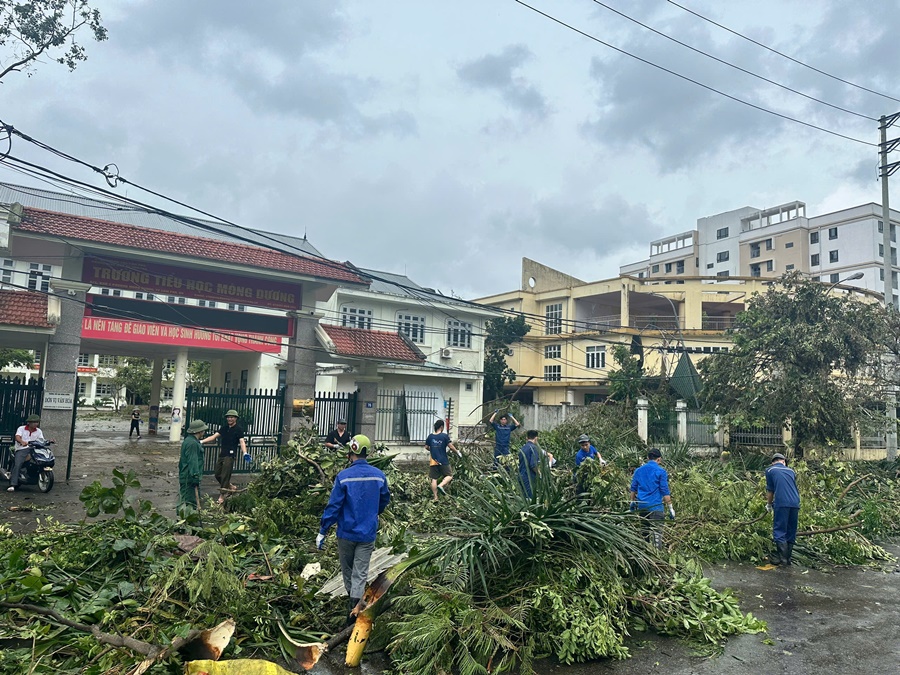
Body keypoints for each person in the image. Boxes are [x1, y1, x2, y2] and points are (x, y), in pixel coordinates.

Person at [316, 435, 391, 625]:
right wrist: (374, 512)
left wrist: (323, 530)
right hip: (367, 533)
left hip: (346, 533)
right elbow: (384, 500)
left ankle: (352, 612)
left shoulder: (343, 477)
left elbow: (334, 506)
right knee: (360, 572)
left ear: (351, 453)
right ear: (367, 452)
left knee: (348, 571)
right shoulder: (379, 475)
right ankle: (355, 610)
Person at [629, 448, 674, 549]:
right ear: (659, 459)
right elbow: (664, 491)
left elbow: (633, 489)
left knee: (645, 533)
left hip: (642, 506)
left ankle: (645, 554)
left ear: (648, 458)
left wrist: (632, 502)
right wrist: (670, 507)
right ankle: (657, 556)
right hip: (655, 507)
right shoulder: (661, 472)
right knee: (657, 534)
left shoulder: (638, 471)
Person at [201, 409, 248, 504]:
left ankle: (222, 495)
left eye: (232, 417)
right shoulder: (224, 428)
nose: (230, 419)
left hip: (230, 456)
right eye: (228, 417)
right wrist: (201, 441)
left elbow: (242, 442)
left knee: (225, 475)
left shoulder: (238, 429)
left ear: (236, 418)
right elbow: (213, 437)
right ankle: (231, 487)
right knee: (217, 474)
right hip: (222, 454)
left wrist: (245, 453)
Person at [765, 452, 801, 566]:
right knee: (791, 531)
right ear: (784, 462)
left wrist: (769, 505)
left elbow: (770, 490)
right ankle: (788, 559)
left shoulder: (770, 470)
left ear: (773, 462)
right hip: (795, 502)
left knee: (780, 530)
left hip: (782, 502)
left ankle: (783, 560)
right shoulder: (791, 471)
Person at [424, 419, 460, 501]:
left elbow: (426, 447)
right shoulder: (444, 436)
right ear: (441, 427)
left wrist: (432, 450)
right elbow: (451, 446)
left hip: (433, 460)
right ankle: (441, 485)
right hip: (443, 460)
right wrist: (457, 452)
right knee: (449, 475)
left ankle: (435, 498)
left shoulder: (430, 436)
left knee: (434, 479)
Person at [9, 414, 45, 492]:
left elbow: (41, 440)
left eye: (37, 422)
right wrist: (22, 442)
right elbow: (17, 437)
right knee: (18, 464)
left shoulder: (39, 431)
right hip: (22, 449)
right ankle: (13, 484)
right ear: (29, 423)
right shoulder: (21, 429)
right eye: (34, 422)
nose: (36, 424)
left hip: (34, 449)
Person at [178, 419, 208, 511]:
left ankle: (185, 520)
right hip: (189, 477)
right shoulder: (192, 444)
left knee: (186, 499)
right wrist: (195, 476)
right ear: (199, 431)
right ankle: (187, 520)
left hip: (186, 475)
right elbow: (193, 461)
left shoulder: (190, 441)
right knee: (190, 502)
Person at [518, 430, 541, 498]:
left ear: (526, 438)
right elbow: (533, 465)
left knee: (523, 498)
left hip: (521, 475)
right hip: (528, 477)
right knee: (529, 498)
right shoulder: (534, 448)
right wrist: (539, 473)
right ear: (536, 438)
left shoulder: (523, 448)